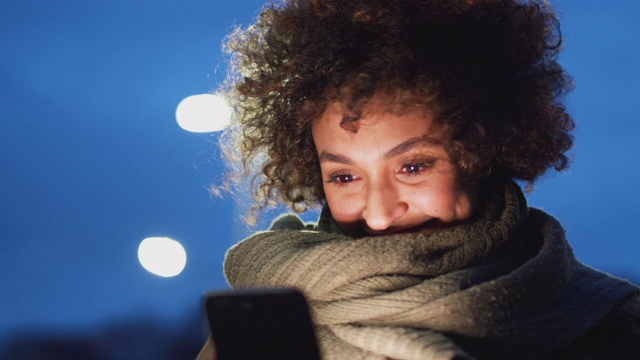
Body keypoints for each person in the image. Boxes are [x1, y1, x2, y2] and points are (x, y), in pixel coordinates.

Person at [198, 0, 640, 358]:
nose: (380, 215)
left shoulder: (615, 325)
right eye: (345, 175)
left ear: (482, 151)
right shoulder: (263, 322)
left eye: (412, 167)